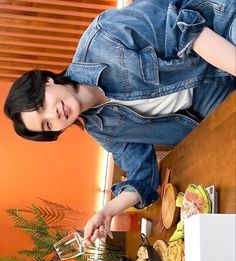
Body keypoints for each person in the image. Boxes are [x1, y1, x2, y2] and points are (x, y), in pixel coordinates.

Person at [4, 0, 236, 243]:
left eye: (42, 105)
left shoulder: (104, 36)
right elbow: (142, 175)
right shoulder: (103, 131)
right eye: (47, 125)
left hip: (216, 33)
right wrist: (106, 212)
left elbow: (189, 31)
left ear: (47, 82)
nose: (54, 115)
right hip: (207, 98)